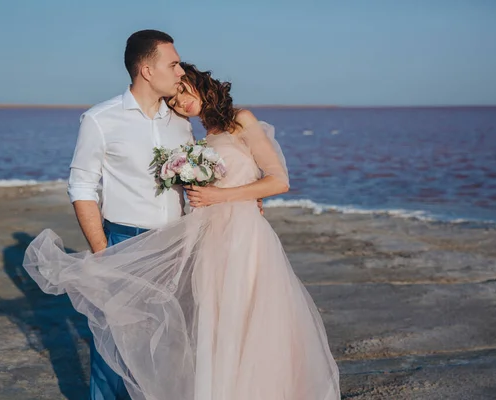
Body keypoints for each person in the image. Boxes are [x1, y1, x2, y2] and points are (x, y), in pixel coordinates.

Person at [24, 63, 340, 399]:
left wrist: (229, 196)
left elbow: (279, 180)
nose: (181, 103)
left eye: (184, 92)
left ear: (201, 84)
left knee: (251, 320)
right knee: (211, 326)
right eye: (174, 101)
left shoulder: (241, 120)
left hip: (245, 239)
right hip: (208, 240)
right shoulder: (197, 137)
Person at [66, 29, 192, 400]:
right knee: (114, 343)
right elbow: (82, 187)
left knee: (167, 342)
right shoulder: (100, 120)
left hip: (175, 245)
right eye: (173, 63)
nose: (181, 71)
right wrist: (103, 250)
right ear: (147, 70)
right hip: (124, 241)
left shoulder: (181, 124)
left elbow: (192, 186)